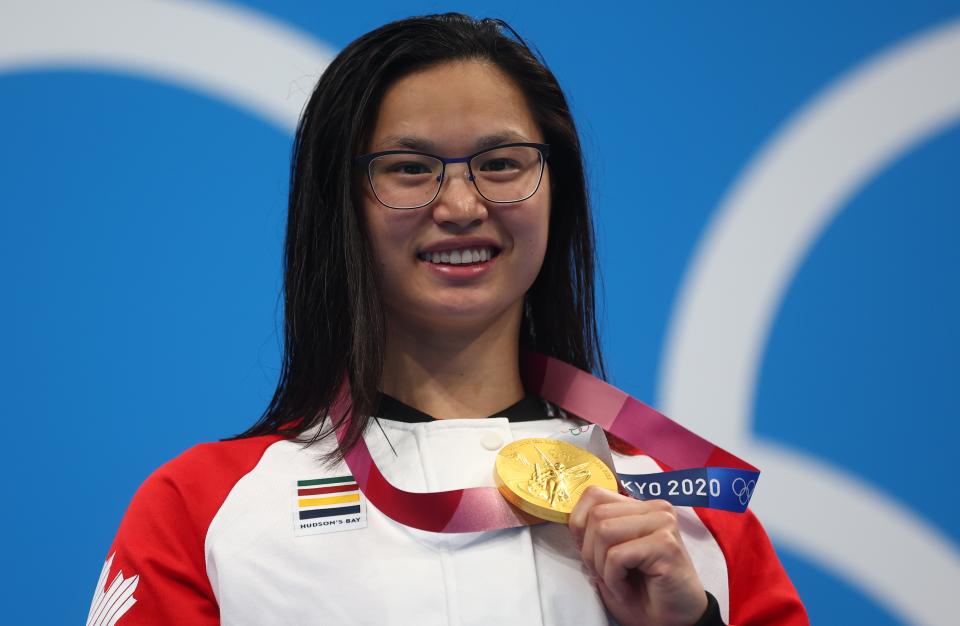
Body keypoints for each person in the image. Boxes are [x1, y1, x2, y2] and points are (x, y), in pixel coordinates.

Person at [88, 14, 808, 626]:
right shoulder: (203, 509)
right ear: (340, 205)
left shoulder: (686, 514)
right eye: (409, 168)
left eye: (500, 163)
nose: (462, 205)